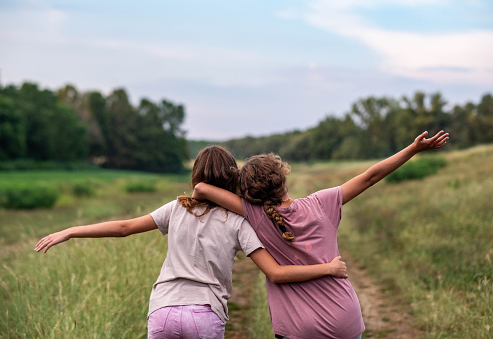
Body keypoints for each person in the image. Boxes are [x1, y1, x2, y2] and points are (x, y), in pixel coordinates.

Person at [35, 145, 348, 339]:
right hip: (205, 314)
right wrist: (326, 266)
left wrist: (72, 230)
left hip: (162, 311)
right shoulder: (240, 221)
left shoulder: (176, 209)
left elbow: (124, 227)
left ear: (196, 174)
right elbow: (274, 271)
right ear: (232, 179)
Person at [193, 131, 450, 339]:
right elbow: (371, 177)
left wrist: (200, 196)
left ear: (250, 190)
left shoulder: (255, 214)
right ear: (283, 177)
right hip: (343, 320)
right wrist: (413, 149)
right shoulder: (321, 203)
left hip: (296, 328)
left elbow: (202, 188)